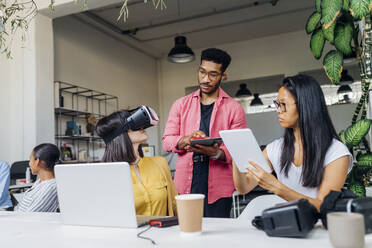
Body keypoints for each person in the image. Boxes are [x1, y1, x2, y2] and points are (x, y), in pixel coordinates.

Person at [233, 75, 352, 211]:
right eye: (277, 104)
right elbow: (244, 187)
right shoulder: (276, 149)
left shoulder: (336, 152)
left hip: (320, 228)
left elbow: (323, 206)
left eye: (283, 104)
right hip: (287, 225)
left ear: (305, 104)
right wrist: (235, 155)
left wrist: (276, 187)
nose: (278, 110)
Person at [162, 48, 247, 218]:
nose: (205, 79)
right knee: (185, 236)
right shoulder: (180, 105)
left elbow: (239, 151)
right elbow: (167, 141)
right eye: (202, 72)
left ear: (223, 76)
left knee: (216, 239)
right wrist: (185, 140)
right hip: (184, 186)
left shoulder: (234, 109)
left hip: (219, 190)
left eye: (213, 75)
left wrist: (215, 153)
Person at [96, 110, 177, 216]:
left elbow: (174, 204)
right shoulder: (107, 175)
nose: (141, 127)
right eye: (133, 125)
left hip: (162, 231)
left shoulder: (160, 163)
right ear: (119, 135)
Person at [17, 143, 60, 212]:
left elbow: (32, 214)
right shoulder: (39, 182)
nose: (29, 163)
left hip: (23, 220)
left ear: (37, 161)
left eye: (30, 159)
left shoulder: (52, 186)